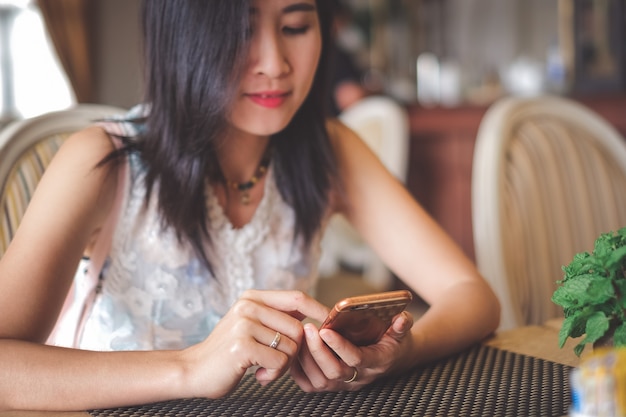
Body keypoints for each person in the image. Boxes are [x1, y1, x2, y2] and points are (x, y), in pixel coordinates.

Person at [0, 0, 500, 412]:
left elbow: (472, 295)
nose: (275, 63)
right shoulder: (105, 161)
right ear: (179, 39)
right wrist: (191, 367)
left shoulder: (330, 152)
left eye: (296, 26)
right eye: (239, 32)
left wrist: (401, 353)